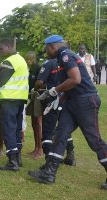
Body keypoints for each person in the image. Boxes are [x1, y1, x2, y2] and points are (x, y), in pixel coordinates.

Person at [28, 35, 107, 190]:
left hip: (84, 102)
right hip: (72, 101)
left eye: (46, 48)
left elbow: (75, 79)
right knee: (59, 135)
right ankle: (49, 173)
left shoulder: (65, 55)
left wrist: (54, 91)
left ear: (52, 47)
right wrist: (59, 96)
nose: (45, 51)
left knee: (94, 140)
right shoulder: (61, 57)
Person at [0, 38, 29, 171]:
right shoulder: (21, 59)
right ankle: (18, 158)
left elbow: (0, 80)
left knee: (8, 129)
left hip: (9, 99)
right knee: (16, 129)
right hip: (20, 98)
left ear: (9, 47)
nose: (0, 51)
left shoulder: (10, 61)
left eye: (1, 48)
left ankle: (12, 161)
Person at [34, 58, 76, 166]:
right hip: (68, 98)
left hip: (53, 100)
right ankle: (70, 154)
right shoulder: (70, 62)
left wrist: (35, 89)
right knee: (64, 127)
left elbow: (40, 82)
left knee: (48, 130)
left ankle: (49, 159)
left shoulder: (49, 63)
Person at [25, 51, 43, 159]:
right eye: (27, 59)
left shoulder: (39, 68)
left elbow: (41, 83)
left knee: (38, 123)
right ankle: (36, 148)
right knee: (33, 124)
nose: (28, 61)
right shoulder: (31, 68)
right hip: (31, 98)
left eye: (30, 59)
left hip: (38, 98)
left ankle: (40, 149)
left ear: (34, 58)